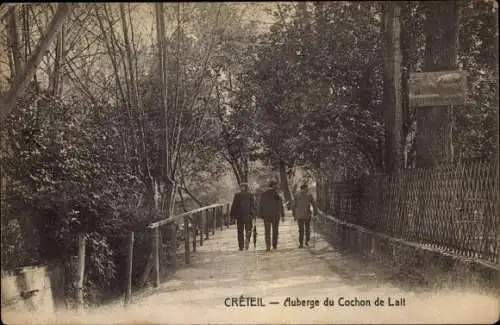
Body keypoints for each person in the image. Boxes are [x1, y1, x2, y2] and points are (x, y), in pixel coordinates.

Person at [258, 180, 284, 251]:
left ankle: (268, 246)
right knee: (275, 231)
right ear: (274, 186)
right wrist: (282, 215)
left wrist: (260, 214)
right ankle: (274, 245)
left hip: (266, 215)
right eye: (276, 185)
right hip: (275, 215)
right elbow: (280, 205)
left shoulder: (263, 194)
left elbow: (260, 205)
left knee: (267, 231)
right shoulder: (276, 194)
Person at [229, 182, 255, 251]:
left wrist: (232, 216)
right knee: (249, 229)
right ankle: (247, 240)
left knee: (240, 231)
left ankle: (241, 246)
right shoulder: (250, 195)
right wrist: (254, 214)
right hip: (248, 215)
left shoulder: (237, 195)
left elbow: (234, 206)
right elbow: (253, 205)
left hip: (240, 216)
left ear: (241, 188)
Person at [292, 183, 318, 248]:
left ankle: (301, 243)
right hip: (307, 215)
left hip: (299, 215)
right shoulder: (309, 195)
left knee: (301, 230)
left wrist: (294, 215)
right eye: (307, 188)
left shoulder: (296, 195)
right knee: (307, 228)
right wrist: (315, 214)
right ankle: (307, 241)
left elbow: (293, 206)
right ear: (305, 188)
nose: (308, 189)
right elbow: (314, 205)